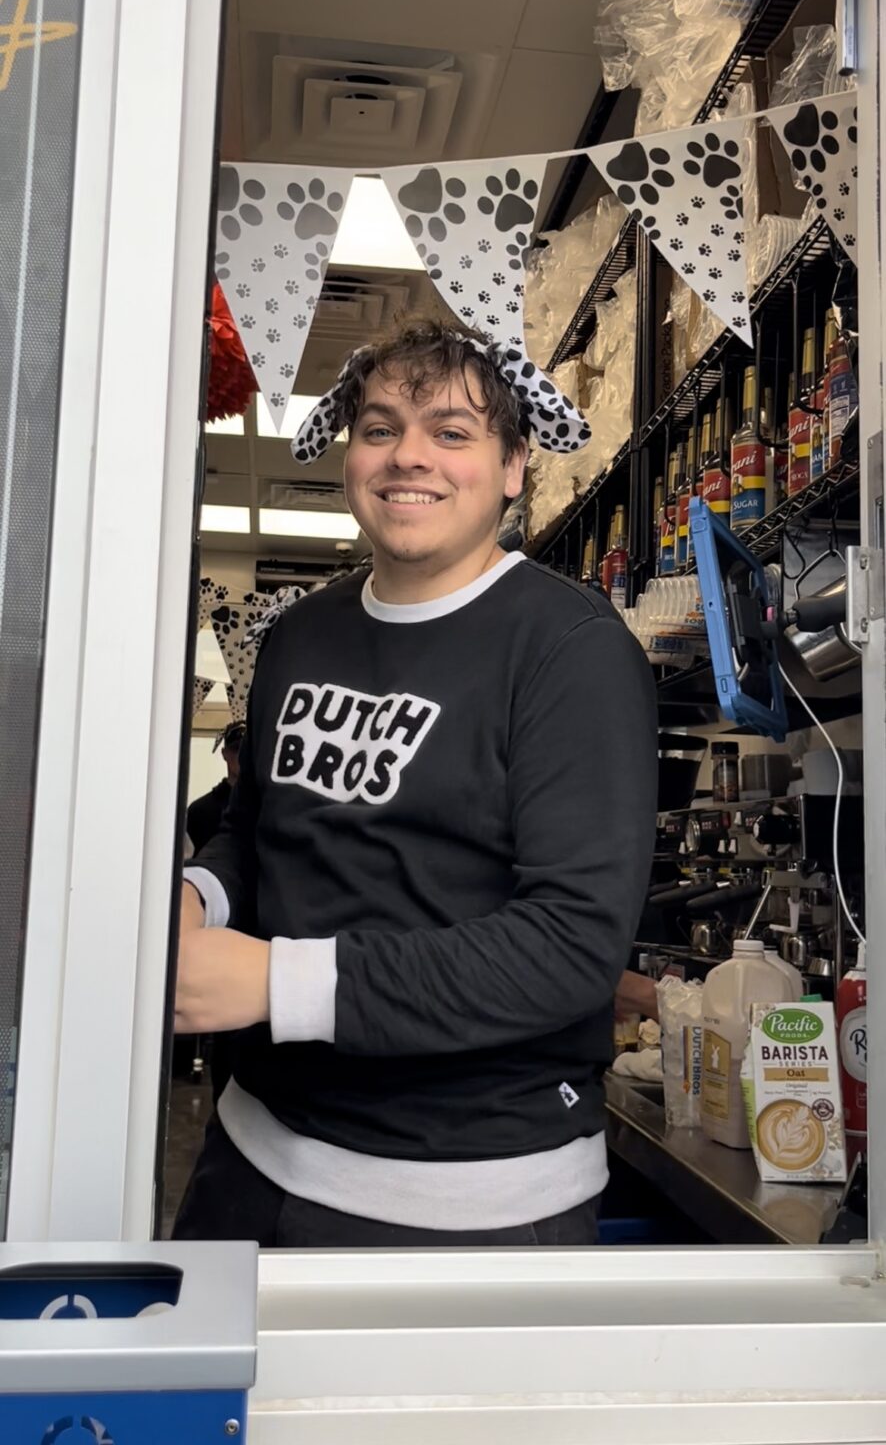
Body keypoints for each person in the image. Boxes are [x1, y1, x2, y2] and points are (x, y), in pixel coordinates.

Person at [174, 320, 658, 1248]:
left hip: (469, 1204)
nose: (408, 459)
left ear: (514, 466)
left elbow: (568, 948)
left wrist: (278, 980)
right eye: (381, 427)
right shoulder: (298, 638)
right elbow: (258, 830)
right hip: (248, 1154)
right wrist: (198, 899)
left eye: (451, 432)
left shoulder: (570, 652)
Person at [186, 722, 245, 855]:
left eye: (247, 749)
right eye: (236, 749)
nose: (242, 755)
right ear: (225, 754)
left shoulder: (264, 806)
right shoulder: (200, 811)